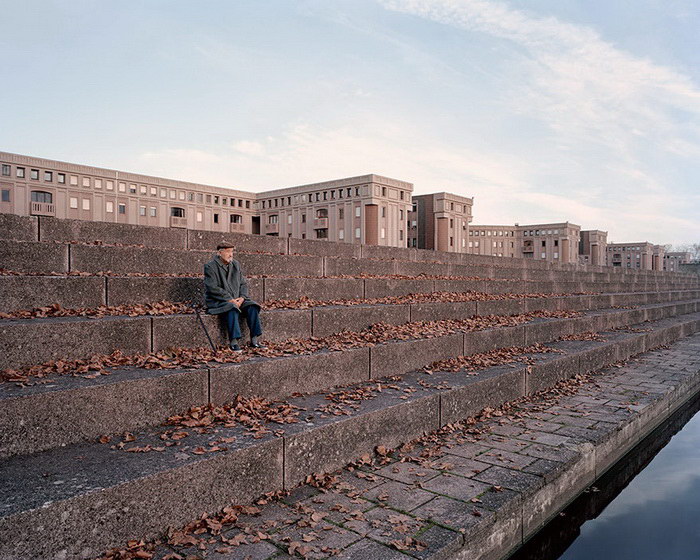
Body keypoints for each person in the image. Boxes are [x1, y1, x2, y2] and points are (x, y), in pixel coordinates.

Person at [203, 243, 265, 352]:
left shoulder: (236, 264)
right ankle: (234, 341)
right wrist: (229, 299)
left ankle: (254, 340)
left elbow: (243, 284)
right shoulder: (210, 266)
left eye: (231, 251)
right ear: (219, 252)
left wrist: (242, 297)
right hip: (219, 301)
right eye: (227, 251)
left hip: (238, 299)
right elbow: (212, 287)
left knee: (252, 306)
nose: (230, 254)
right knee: (231, 307)